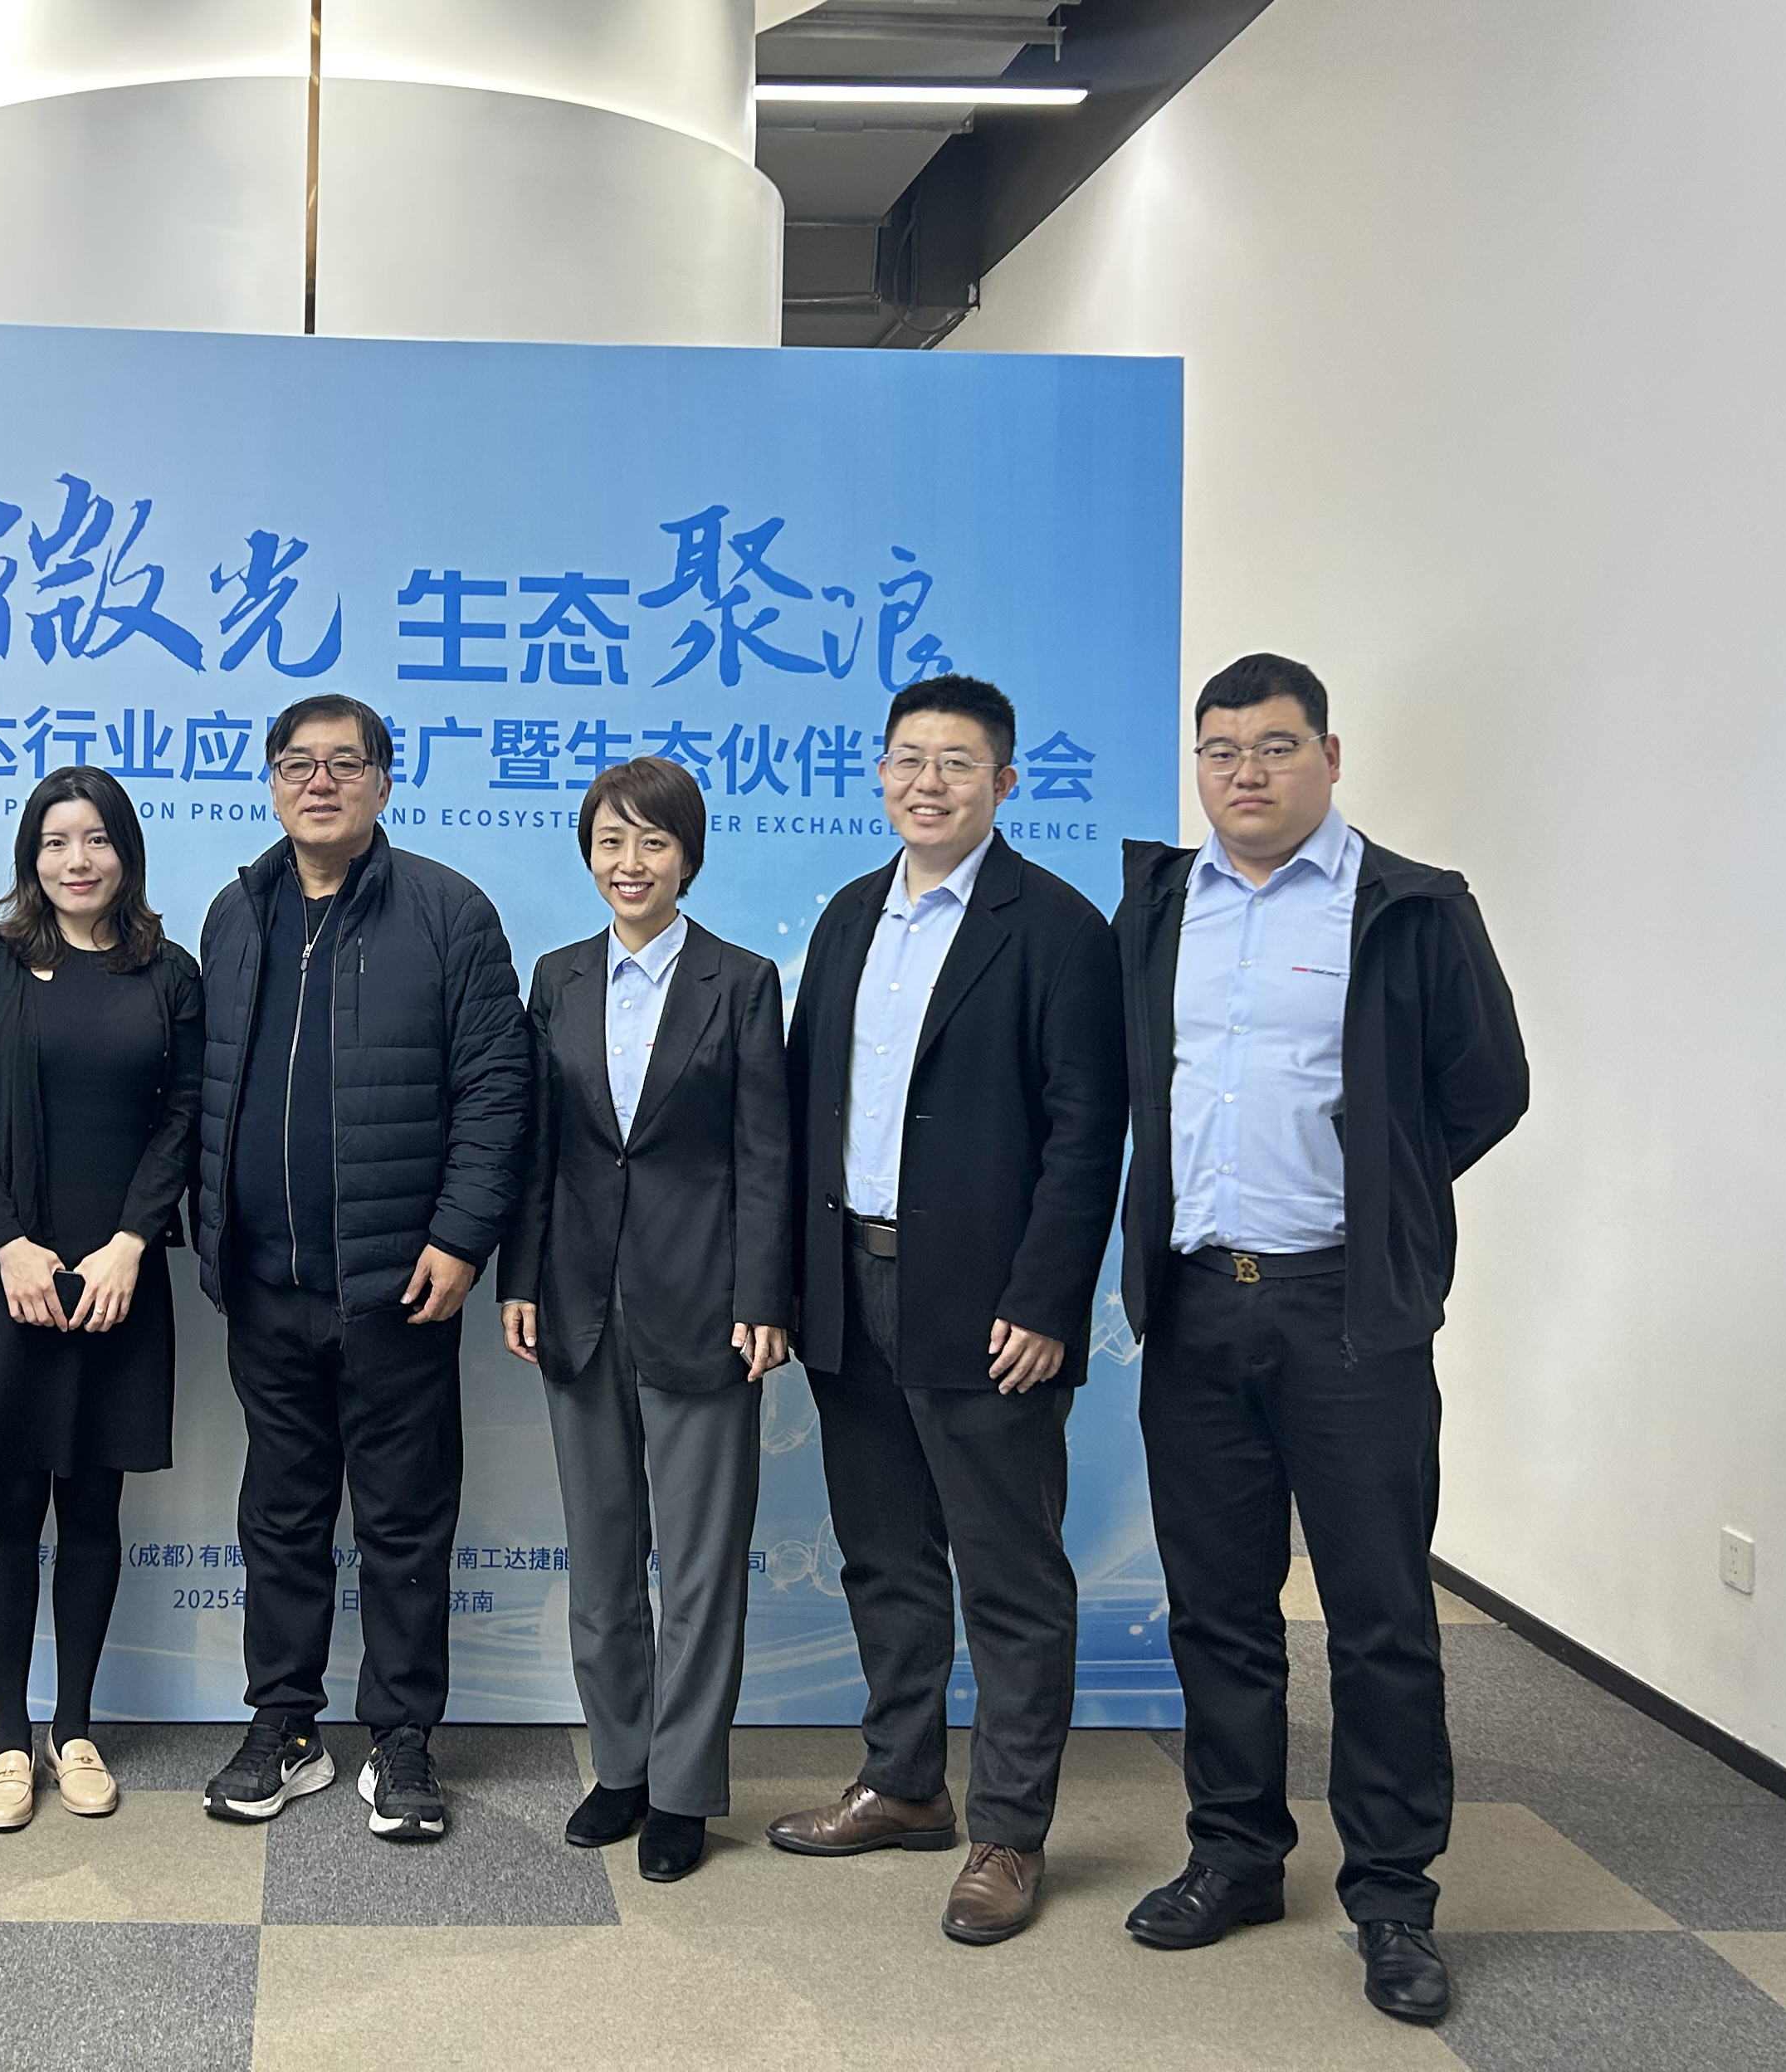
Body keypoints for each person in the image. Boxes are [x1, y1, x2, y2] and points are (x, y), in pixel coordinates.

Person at [1115, 653, 1527, 2027]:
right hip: (1195, 1304)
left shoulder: (1409, 906)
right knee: (1216, 1604)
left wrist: (1386, 1198)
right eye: (1220, 749)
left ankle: (1393, 1896)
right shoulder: (1160, 904)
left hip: (1348, 1310)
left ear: (1330, 758)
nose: (1245, 772)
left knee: (1377, 1614)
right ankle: (1234, 1854)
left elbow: (1485, 1086)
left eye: (1275, 745)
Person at [773, 675, 1127, 1947]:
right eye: (909, 759)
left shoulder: (1060, 929)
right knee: (885, 1553)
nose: (930, 782)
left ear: (1005, 783)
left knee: (1010, 1573)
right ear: (880, 773)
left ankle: (1009, 1833)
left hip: (987, 1307)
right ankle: (905, 1783)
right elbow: (805, 1110)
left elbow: (1088, 1133)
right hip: (849, 1285)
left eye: (959, 763)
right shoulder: (850, 916)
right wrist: (790, 1285)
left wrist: (1045, 1300)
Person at [193, 692, 528, 1842]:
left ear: (385, 783)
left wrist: (461, 1236)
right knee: (280, 1518)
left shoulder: (447, 911)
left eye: (345, 763)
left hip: (399, 1285)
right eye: (298, 763)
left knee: (404, 1522)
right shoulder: (238, 913)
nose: (320, 782)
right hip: (265, 1284)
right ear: (272, 782)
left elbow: (497, 1088)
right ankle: (285, 1725)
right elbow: (207, 1085)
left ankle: (401, 1738)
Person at [497, 756, 791, 1884]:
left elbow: (766, 1154)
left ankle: (683, 1787)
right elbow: (538, 1148)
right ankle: (619, 1767)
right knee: (602, 1557)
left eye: (653, 843)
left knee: (702, 1567)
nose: (630, 864)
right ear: (588, 854)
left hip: (705, 1306)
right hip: (576, 1302)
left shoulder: (741, 980)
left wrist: (763, 1299)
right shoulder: (559, 977)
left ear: (688, 857)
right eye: (611, 842)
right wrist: (521, 1278)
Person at [0, 767, 204, 1832]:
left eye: (94, 840)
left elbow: (183, 1116)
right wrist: (7, 1246)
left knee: (93, 1505)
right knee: (8, 1508)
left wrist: (134, 1243)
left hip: (120, 1275)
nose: (75, 861)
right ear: (30, 858)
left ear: (125, 852)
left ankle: (74, 1728)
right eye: (54, 842)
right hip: (11, 1274)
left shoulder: (168, 972)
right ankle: (8, 1738)